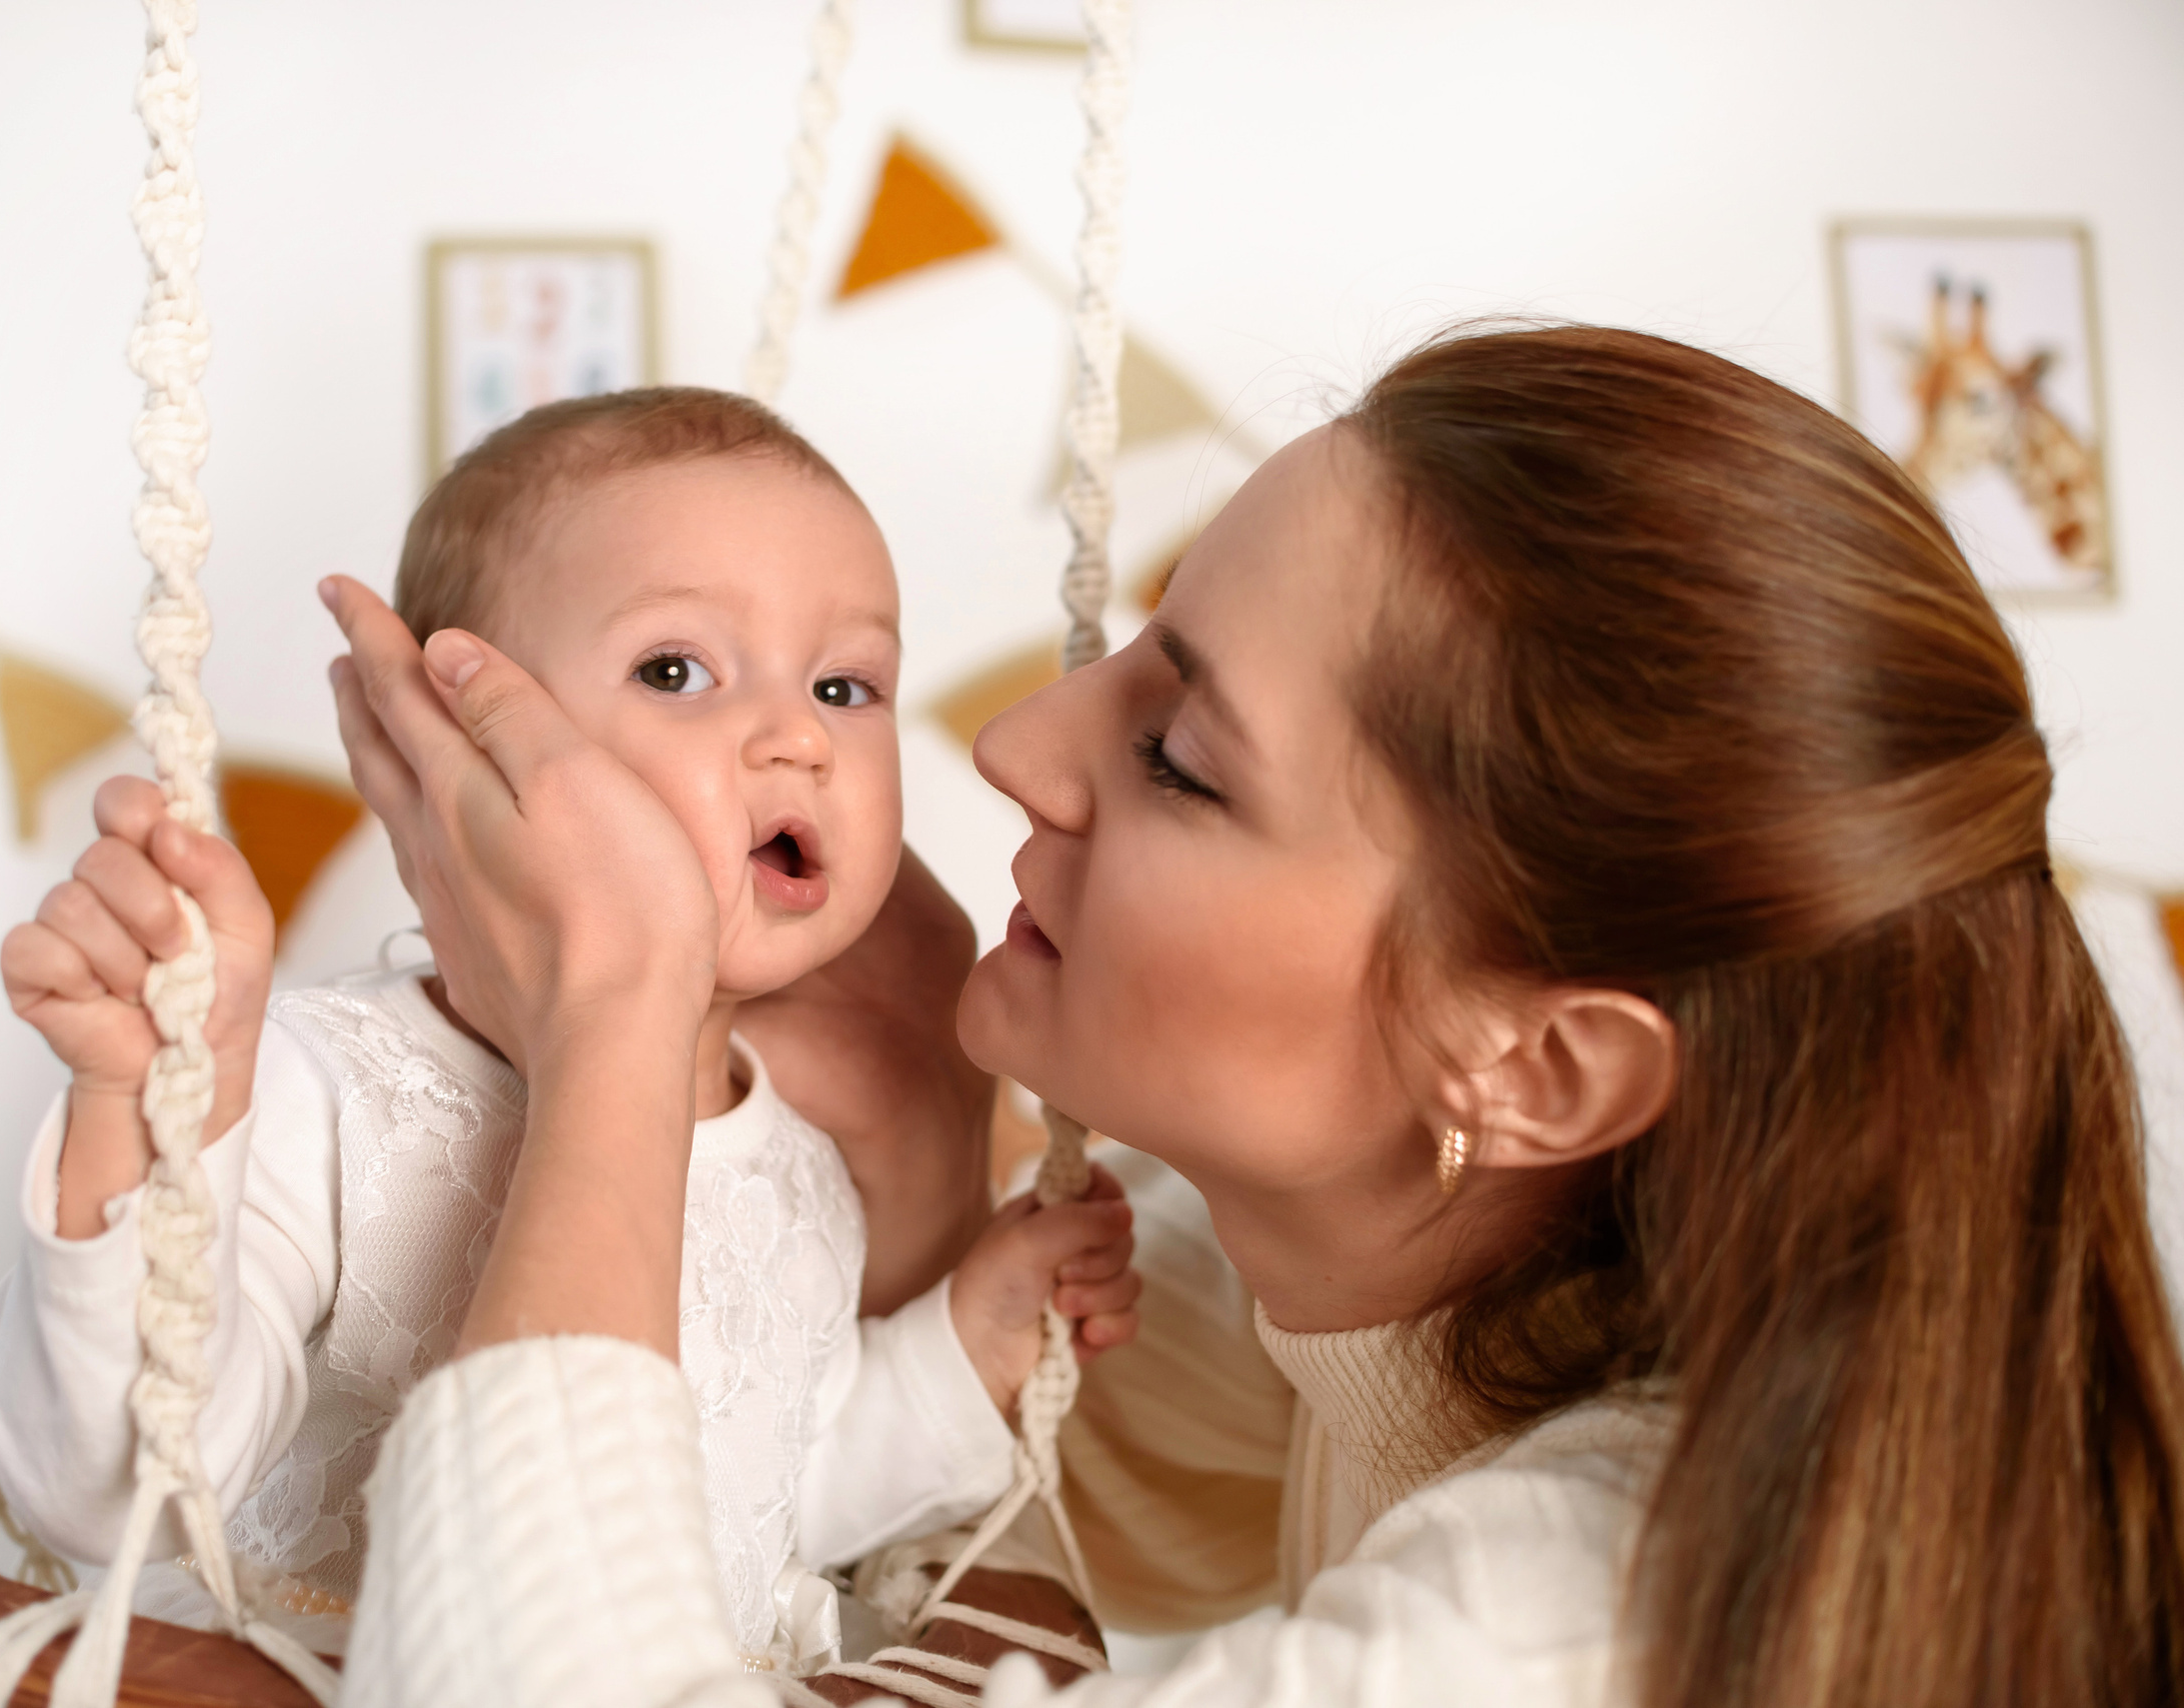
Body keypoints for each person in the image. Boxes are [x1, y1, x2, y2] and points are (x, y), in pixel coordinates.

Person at [317, 327, 2184, 1708]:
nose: (1012, 750)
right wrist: (891, 1127)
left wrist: (618, 1028)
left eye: (1181, 757)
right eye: (1133, 650)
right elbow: (864, 1449)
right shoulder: (1358, 1293)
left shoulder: (1577, 1625)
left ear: (1532, 1064)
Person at [0, 388, 1140, 1667]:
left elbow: (772, 1493)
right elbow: (118, 1485)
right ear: (463, 756)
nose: (799, 736)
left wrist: (962, 1344)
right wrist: (147, 1119)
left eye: (846, 683)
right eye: (676, 669)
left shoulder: (796, 1155)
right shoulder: (333, 1087)